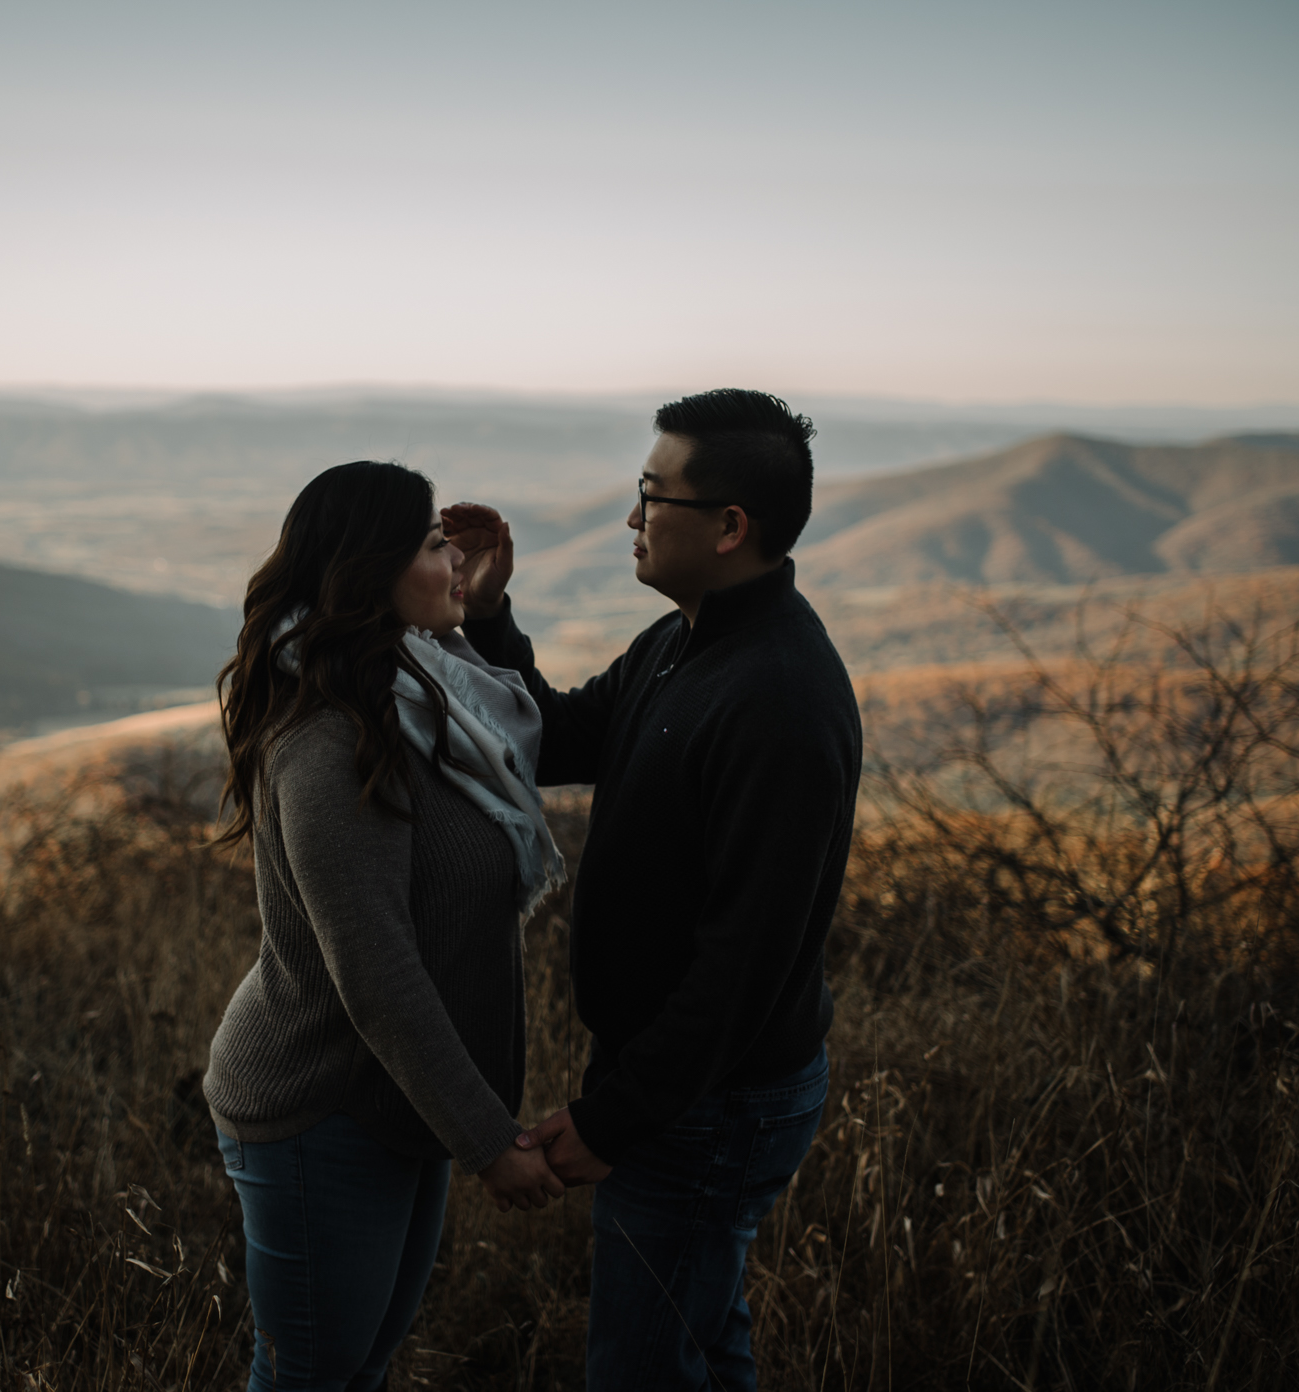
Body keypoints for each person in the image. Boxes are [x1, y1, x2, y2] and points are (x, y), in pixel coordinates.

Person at [443, 389, 861, 1392]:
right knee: (701, 1345)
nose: (630, 518)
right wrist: (489, 614)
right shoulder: (681, 644)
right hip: (685, 1091)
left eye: (650, 495)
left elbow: (742, 967)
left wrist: (613, 1119)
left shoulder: (780, 700)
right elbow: (550, 740)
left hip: (711, 1105)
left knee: (643, 1367)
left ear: (729, 526)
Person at [203, 459, 568, 1392]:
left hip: (393, 1102)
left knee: (356, 1367)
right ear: (370, 569)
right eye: (433, 544)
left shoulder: (414, 689)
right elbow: (375, 969)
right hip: (320, 1105)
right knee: (312, 1378)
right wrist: (487, 1142)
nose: (454, 557)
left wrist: (478, 607)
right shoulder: (331, 736)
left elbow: (519, 737)